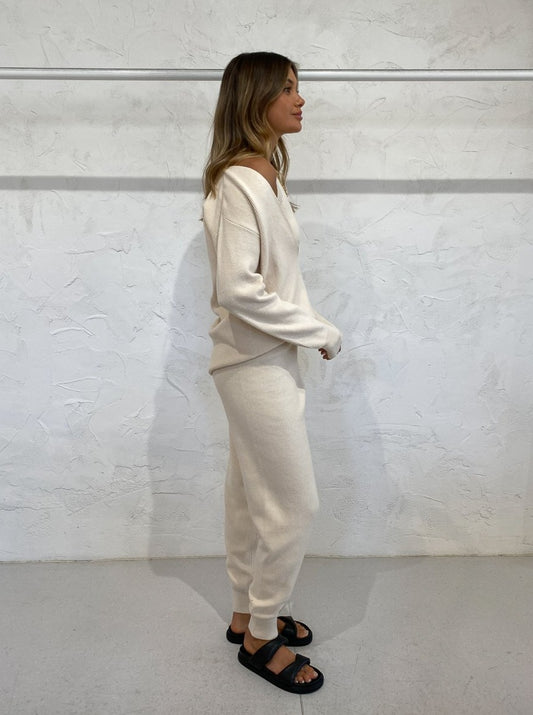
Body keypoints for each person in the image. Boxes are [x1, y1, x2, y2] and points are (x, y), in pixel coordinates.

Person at [202, 51, 342, 695]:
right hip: (253, 361)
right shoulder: (241, 180)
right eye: (286, 88)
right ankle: (261, 636)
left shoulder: (264, 176)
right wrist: (320, 331)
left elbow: (276, 279)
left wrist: (305, 330)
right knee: (293, 502)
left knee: (249, 494)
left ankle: (245, 614)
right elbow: (238, 287)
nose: (300, 98)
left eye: (297, 87)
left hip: (262, 357)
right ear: (254, 98)